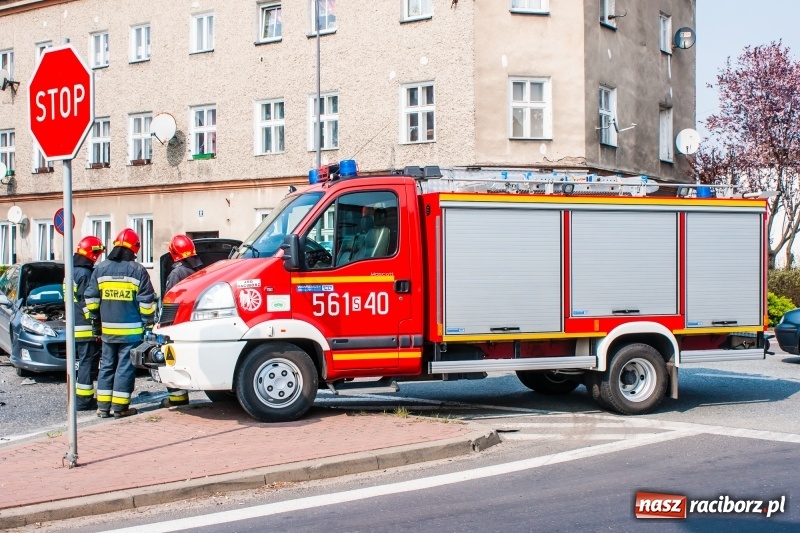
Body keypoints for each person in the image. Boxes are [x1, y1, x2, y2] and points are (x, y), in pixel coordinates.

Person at [85, 228, 156, 419]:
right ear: (135, 248)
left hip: (107, 331)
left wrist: (96, 323)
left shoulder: (100, 269)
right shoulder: (138, 270)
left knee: (106, 366)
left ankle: (102, 407)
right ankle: (120, 408)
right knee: (125, 367)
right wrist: (148, 326)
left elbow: (91, 300)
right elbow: (146, 304)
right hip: (131, 333)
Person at [161, 234, 203, 408]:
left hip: (177, 322)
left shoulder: (177, 273)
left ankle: (177, 400)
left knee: (172, 360)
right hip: (192, 321)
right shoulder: (198, 272)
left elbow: (170, 300)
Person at [72, 236, 105, 411]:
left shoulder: (71, 271)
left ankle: (82, 397)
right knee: (87, 362)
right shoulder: (85, 274)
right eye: (97, 253)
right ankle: (84, 400)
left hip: (74, 323)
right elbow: (88, 303)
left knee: (85, 361)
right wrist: (96, 325)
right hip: (85, 326)